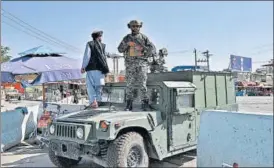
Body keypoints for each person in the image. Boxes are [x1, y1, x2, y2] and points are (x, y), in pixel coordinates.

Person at [118, 20, 156, 111]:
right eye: (133, 26)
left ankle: (145, 103)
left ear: (140, 27)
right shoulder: (127, 38)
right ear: (130, 27)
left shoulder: (143, 38)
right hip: (130, 65)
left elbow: (153, 49)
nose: (135, 28)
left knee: (142, 84)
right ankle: (129, 104)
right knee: (129, 85)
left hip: (141, 64)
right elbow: (120, 49)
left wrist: (145, 51)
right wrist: (127, 45)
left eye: (137, 26)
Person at [81, 30, 109, 108]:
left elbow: (87, 56)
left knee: (90, 86)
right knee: (99, 87)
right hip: (101, 70)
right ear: (99, 37)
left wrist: (83, 67)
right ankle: (98, 102)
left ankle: (93, 102)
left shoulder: (90, 44)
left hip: (91, 69)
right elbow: (104, 58)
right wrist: (105, 70)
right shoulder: (103, 46)